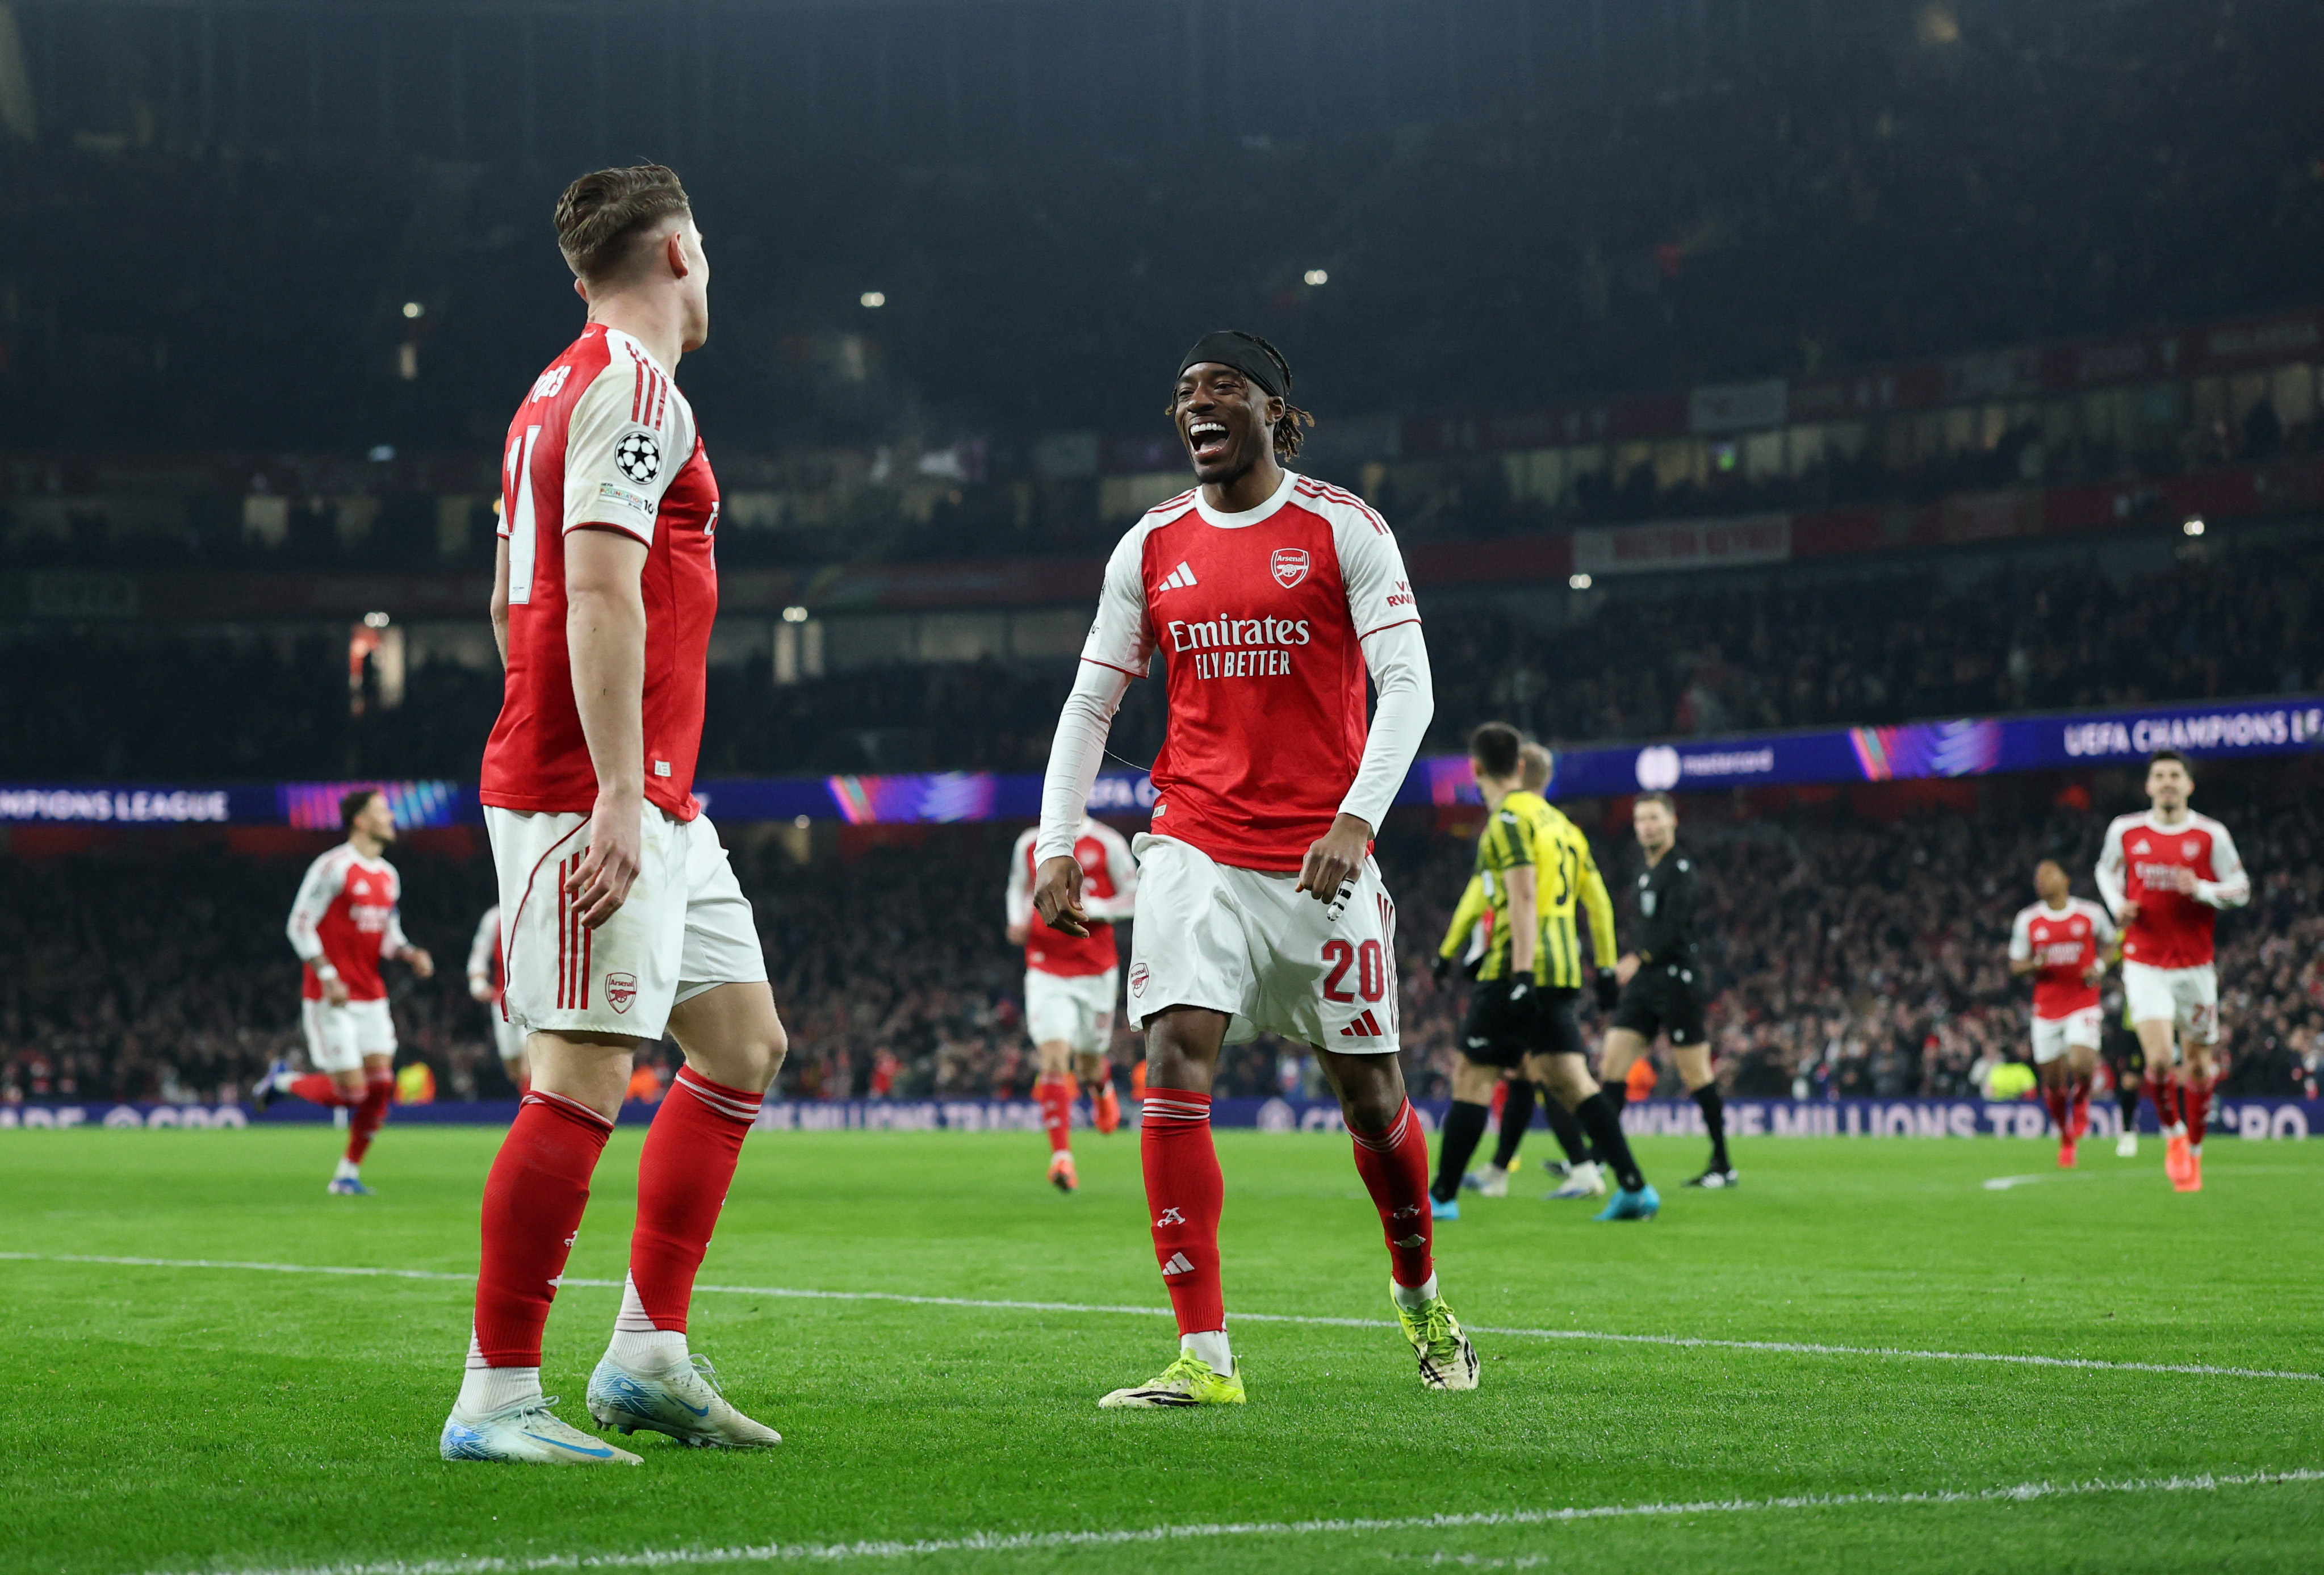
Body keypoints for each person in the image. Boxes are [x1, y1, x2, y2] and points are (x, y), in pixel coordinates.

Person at [1032, 330, 1476, 1407]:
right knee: (1173, 1055)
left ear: (1276, 410)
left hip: (1321, 860)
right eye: (1185, 390)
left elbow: (1409, 686)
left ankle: (1419, 1293)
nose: (1198, 402)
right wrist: (1056, 841)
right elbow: (1091, 703)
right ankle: (1205, 1355)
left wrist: (1357, 819)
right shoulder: (1150, 544)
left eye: (1222, 386)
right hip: (1192, 843)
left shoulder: (1343, 528)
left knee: (1371, 1098)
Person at [440, 164, 788, 1465]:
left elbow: (504, 602)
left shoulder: (551, 389)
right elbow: (594, 592)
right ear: (679, 252)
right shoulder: (638, 390)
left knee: (741, 1042)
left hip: (645, 790)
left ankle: (646, 1358)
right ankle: (495, 1397)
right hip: (602, 792)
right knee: (582, 1071)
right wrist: (611, 789)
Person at [1427, 728, 1646, 1219]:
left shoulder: (1507, 819)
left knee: (1472, 1075)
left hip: (1515, 965)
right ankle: (1633, 1186)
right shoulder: (1565, 826)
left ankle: (1441, 1196)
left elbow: (1503, 893)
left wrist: (1462, 955)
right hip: (1563, 966)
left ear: (1476, 769)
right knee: (1570, 1079)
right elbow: (1599, 902)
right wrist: (1604, 966)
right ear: (1521, 767)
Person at [254, 788, 434, 1195]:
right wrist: (327, 973)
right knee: (351, 1092)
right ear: (360, 820)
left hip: (371, 994)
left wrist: (409, 953)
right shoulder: (333, 867)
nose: (391, 817)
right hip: (330, 997)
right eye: (382, 811)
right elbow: (299, 924)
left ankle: (347, 1175)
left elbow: (388, 934)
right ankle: (281, 1082)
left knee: (381, 1086)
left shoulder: (388, 875)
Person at [2095, 750, 2250, 1193]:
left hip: (2195, 967)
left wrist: (2202, 889)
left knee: (2198, 1067)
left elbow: (2241, 889)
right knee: (2160, 1060)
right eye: (2159, 775)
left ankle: (2195, 1150)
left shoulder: (2210, 834)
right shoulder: (2125, 829)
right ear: (2148, 786)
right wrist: (2117, 904)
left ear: (2188, 785)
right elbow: (2105, 870)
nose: (2166, 782)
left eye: (2174, 775)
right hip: (2144, 962)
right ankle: (2173, 1135)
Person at [1598, 792, 1731, 1188]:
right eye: (1641, 820)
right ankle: (1598, 1157)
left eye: (1654, 818)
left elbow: (1673, 926)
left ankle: (1723, 1163)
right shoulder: (1643, 871)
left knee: (1695, 1072)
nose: (1647, 826)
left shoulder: (1681, 869)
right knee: (1612, 1063)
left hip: (1676, 980)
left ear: (1672, 820)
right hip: (1646, 982)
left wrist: (1636, 957)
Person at [1006, 814, 1138, 1192]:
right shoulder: (1030, 842)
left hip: (1096, 968)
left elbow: (1135, 896)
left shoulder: (1108, 843)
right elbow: (1018, 887)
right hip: (1045, 965)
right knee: (1053, 1058)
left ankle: (1101, 1088)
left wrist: (1093, 907)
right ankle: (1061, 1158)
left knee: (1088, 1062)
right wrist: (1017, 919)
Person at [2005, 859, 2114, 1168]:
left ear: (2065, 879)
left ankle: (2082, 1101)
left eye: (2047, 875)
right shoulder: (2028, 920)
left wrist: (2100, 966)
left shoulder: (2090, 913)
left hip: (2083, 1001)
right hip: (2047, 1009)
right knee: (2053, 1082)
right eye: (2037, 877)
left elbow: (2112, 943)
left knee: (2081, 1062)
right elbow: (2015, 964)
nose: (2040, 881)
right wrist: (2034, 965)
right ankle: (2066, 1138)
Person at [466, 904, 528, 1091]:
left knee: (530, 1058)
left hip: (533, 1000)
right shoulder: (494, 918)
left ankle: (533, 1107)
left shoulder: (539, 908)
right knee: (513, 1067)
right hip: (502, 1000)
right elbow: (479, 955)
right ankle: (526, 1100)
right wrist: (478, 984)